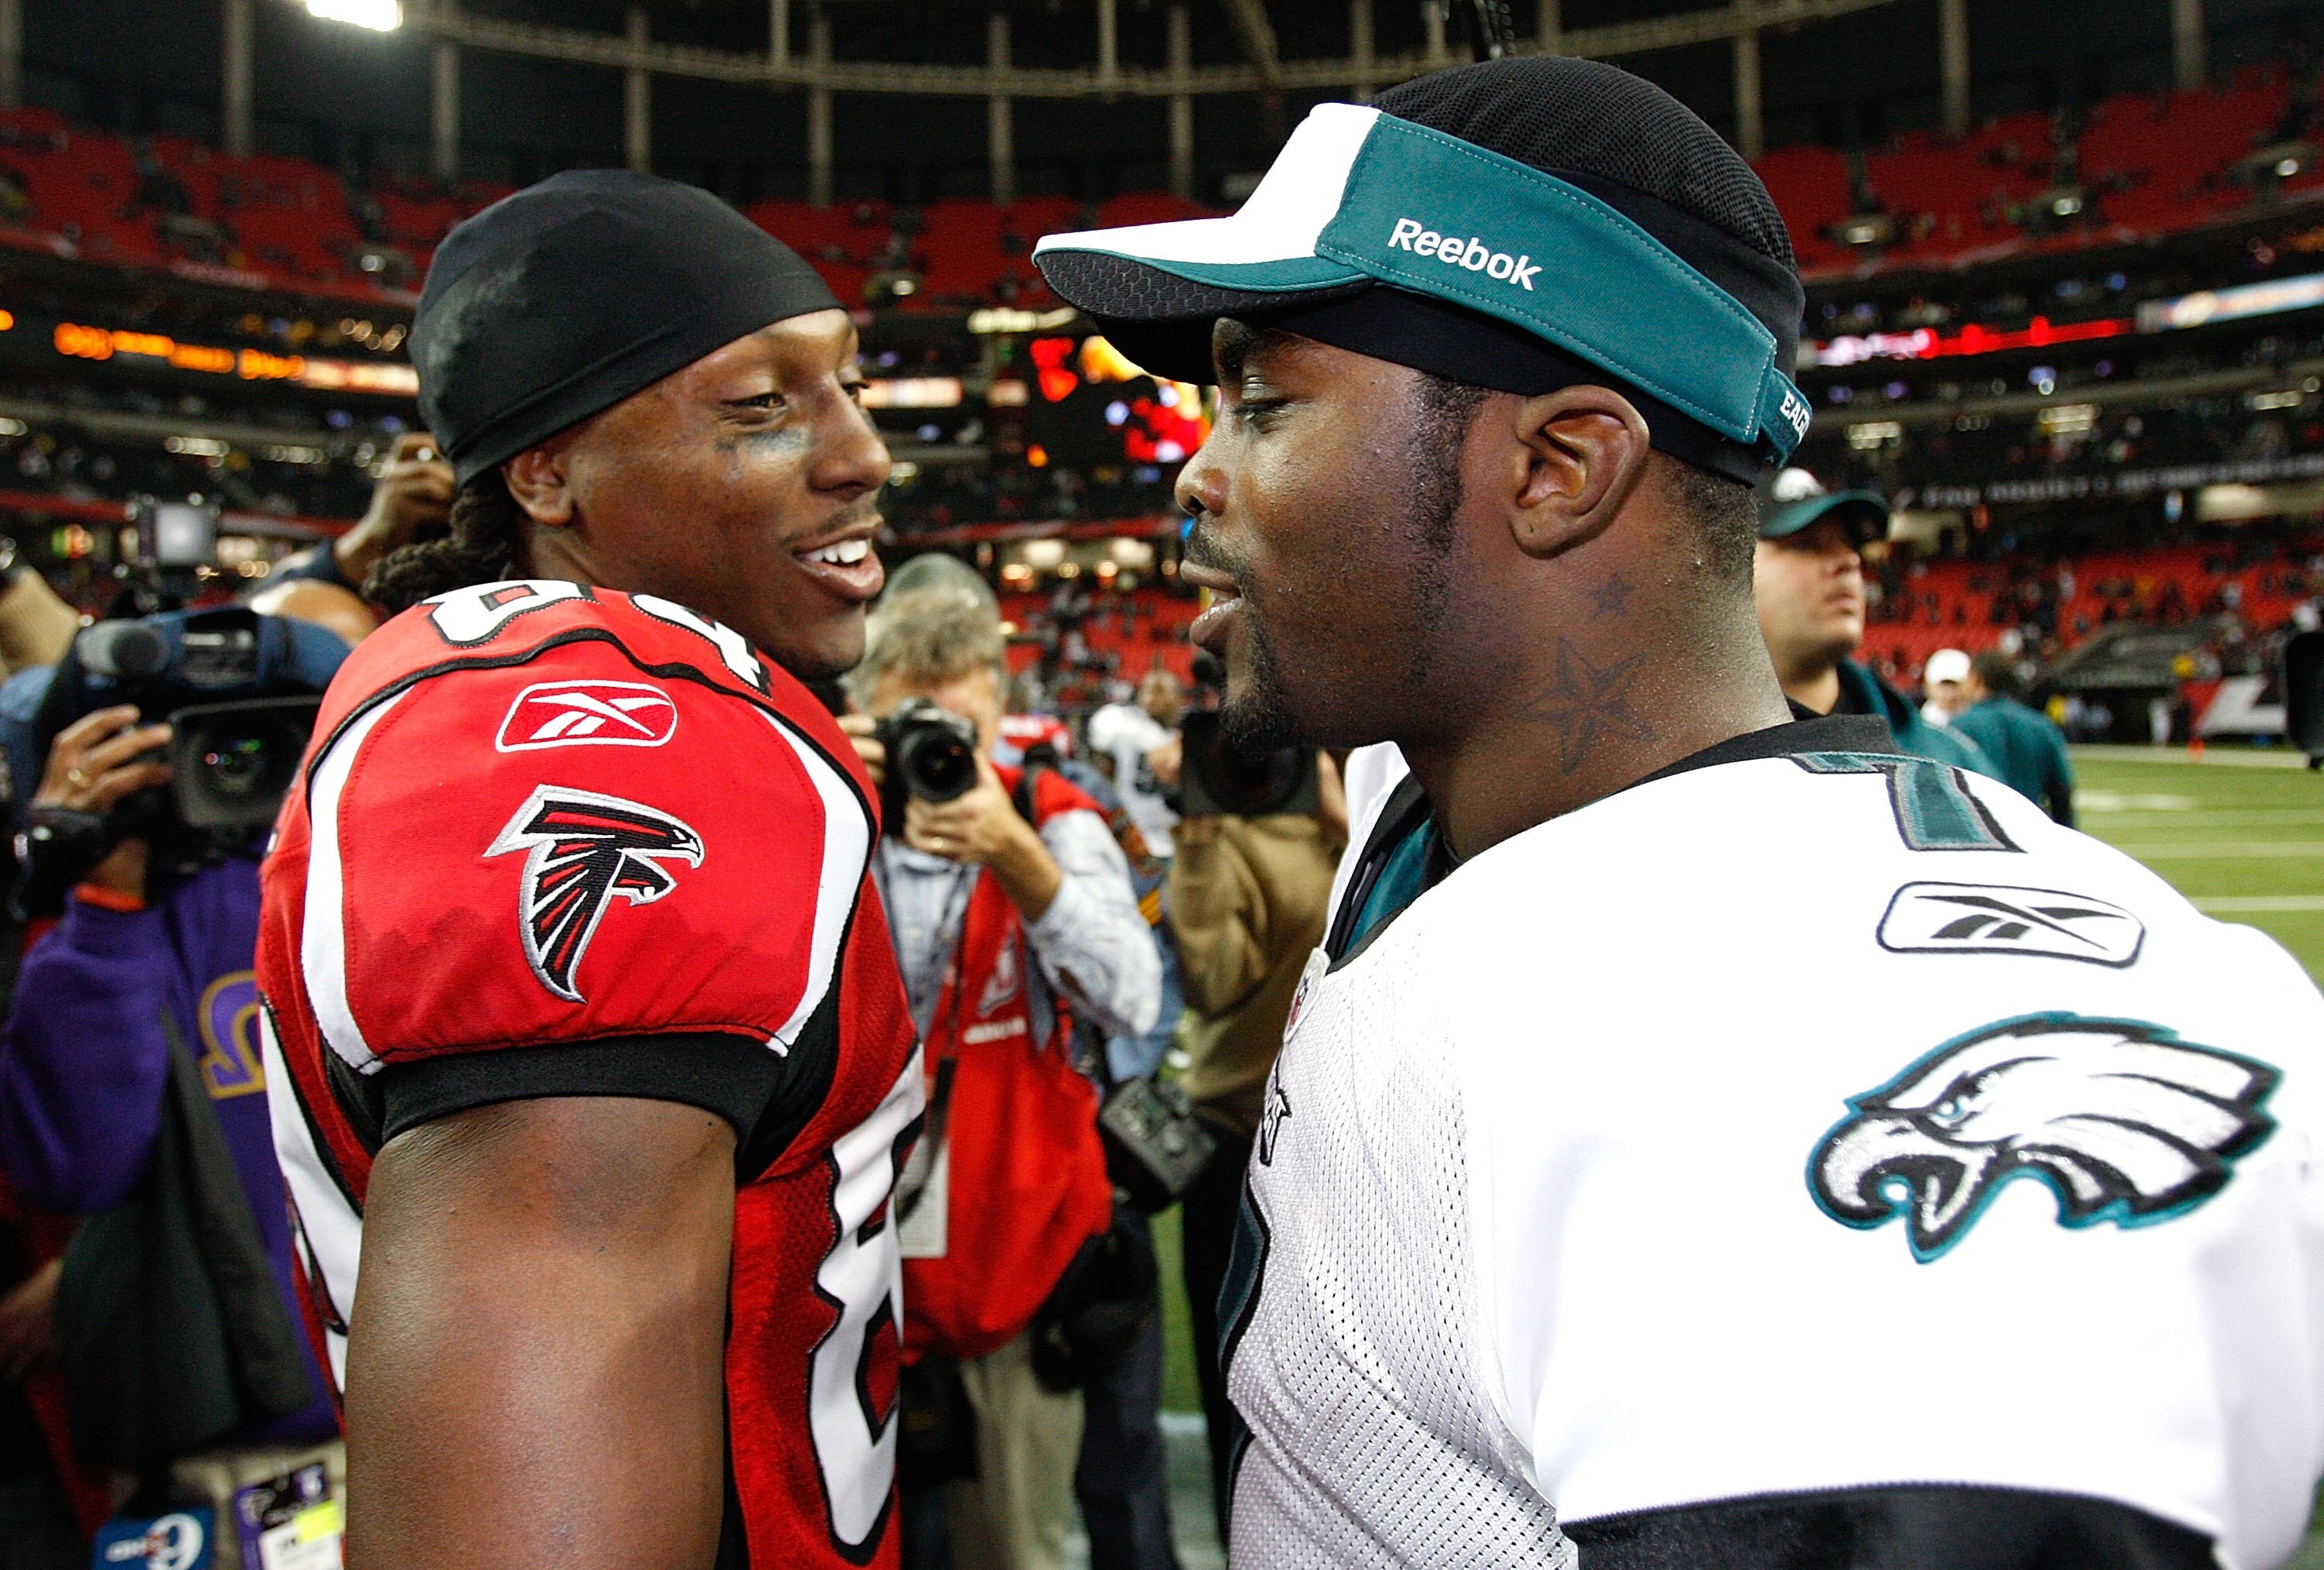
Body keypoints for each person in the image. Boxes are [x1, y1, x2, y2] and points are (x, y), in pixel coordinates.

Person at [1034, 53, 2324, 1570]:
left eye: (1262, 400)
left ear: (1562, 467)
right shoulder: (1492, 807)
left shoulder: (1810, 1038)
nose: (1195, 476)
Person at [256, 170, 922, 1570]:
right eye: (761, 406)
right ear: (546, 471)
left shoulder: (509, 678)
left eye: (849, 386)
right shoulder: (626, 723)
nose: (863, 454)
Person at [0, 606, 352, 1562]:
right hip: (230, 1453)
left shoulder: (354, 886)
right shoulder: (98, 923)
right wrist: (100, 880)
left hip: (404, 1401)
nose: (232, 764)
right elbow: (74, 1165)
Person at [840, 589, 1159, 1570]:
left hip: (1012, 1269)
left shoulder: (1050, 819)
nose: (941, 755)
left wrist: (1021, 861)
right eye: (913, 729)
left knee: (1010, 1551)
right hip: (851, 1283)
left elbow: (1135, 997)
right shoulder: (825, 812)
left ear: (1000, 718)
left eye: (960, 730)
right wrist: (830, 796)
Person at [1164, 752, 1344, 1539]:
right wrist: (1198, 840)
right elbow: (1210, 977)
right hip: (1237, 1132)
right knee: (1233, 1374)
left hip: (1335, 1136)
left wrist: (1350, 835)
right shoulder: (1224, 833)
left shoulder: (1351, 828)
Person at [1752, 475, 1997, 776]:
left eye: (1850, 544)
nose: (1850, 560)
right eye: (1805, 545)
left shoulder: (1953, 763)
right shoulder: (1683, 762)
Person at [1955, 648, 2076, 826]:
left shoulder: (1959, 728)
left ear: (1976, 678)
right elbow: (2061, 791)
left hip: (1981, 831)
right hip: (2029, 830)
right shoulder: (2042, 726)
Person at [1919, 646, 1971, 727]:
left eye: (1956, 686)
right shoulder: (1920, 724)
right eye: (1943, 687)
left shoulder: (1979, 722)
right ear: (1928, 687)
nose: (1950, 695)